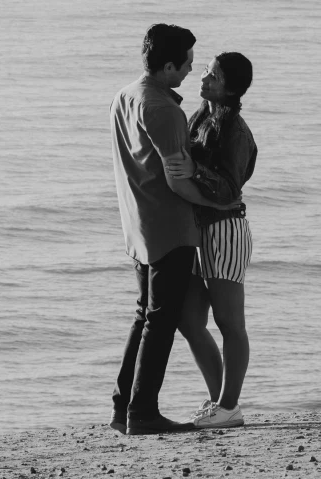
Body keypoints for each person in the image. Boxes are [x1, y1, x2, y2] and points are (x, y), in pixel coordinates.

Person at [109, 25, 241, 436]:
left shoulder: (125, 95)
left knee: (144, 317)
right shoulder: (164, 109)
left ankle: (122, 407)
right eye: (185, 64)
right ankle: (143, 412)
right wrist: (220, 203)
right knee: (160, 323)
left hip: (138, 225)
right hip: (169, 228)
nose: (189, 71)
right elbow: (178, 180)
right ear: (167, 66)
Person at [166, 52, 257, 429]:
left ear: (231, 88)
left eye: (214, 76)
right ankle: (221, 402)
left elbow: (229, 190)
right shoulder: (201, 115)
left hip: (225, 230)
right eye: (205, 70)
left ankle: (229, 405)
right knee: (188, 320)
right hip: (196, 230)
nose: (204, 78)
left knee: (229, 322)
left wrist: (194, 169)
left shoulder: (235, 130)